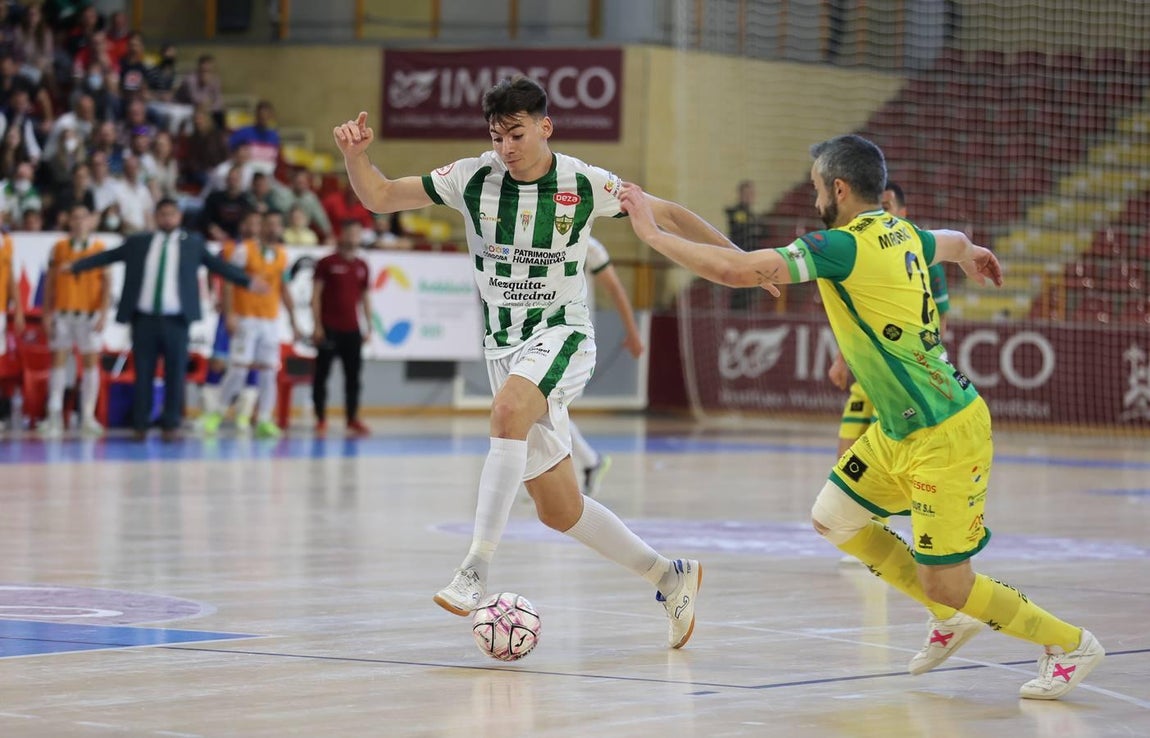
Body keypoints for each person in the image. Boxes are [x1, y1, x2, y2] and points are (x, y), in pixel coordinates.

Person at [618, 134, 1105, 699]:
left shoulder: (840, 245)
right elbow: (950, 241)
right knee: (834, 517)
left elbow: (736, 272)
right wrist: (971, 252)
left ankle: (1069, 645)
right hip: (898, 429)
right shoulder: (904, 233)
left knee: (950, 582)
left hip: (944, 432)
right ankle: (948, 616)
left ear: (840, 190)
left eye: (817, 187)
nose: (814, 196)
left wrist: (651, 232)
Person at [333, 76, 712, 648]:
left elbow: (672, 215)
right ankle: (669, 575)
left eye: (516, 133)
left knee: (507, 413)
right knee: (558, 510)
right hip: (502, 348)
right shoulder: (471, 177)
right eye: (496, 135)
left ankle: (475, 566)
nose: (506, 147)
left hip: (562, 334)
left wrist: (745, 263)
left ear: (544, 127)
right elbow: (380, 196)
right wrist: (356, 159)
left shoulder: (585, 183)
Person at [68, 198, 268, 441]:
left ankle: (171, 423)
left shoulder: (192, 244)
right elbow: (109, 256)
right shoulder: (139, 242)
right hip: (144, 318)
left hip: (177, 320)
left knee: (175, 372)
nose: (167, 219)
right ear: (155, 216)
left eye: (171, 214)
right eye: (162, 214)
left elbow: (218, 266)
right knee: (144, 372)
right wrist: (77, 266)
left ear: (179, 216)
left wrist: (247, 281)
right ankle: (140, 423)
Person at [829, 180, 950, 459]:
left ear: (903, 213)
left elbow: (941, 319)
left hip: (899, 378)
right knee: (844, 460)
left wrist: (928, 361)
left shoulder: (923, 255)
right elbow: (853, 319)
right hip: (867, 375)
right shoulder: (863, 256)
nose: (882, 215)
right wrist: (839, 359)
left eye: (887, 208)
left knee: (883, 463)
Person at [201, 209, 300, 439]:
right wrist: (230, 314)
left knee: (268, 372)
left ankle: (264, 418)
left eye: (278, 225)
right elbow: (228, 281)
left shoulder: (283, 255)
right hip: (245, 317)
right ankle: (218, 413)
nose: (274, 229)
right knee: (238, 369)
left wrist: (294, 321)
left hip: (270, 320)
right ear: (261, 227)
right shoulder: (244, 251)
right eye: (270, 224)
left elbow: (284, 288)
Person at [571, 236, 644, 496]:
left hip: (574, 338)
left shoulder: (589, 246)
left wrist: (633, 333)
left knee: (544, 409)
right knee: (543, 412)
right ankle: (590, 462)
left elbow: (614, 288)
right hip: (535, 335)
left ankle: (586, 464)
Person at [39, 204, 107, 437]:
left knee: (90, 364)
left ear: (91, 221)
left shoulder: (99, 248)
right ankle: (54, 415)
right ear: (68, 221)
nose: (79, 222)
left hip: (88, 314)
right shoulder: (58, 248)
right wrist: (47, 313)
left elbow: (107, 284)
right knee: (57, 363)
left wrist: (104, 314)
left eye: (83, 218)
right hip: (63, 312)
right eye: (75, 218)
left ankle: (88, 416)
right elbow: (49, 283)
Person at [201, 209, 262, 428]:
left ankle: (243, 416)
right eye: (250, 222)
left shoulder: (265, 251)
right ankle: (210, 413)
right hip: (231, 312)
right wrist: (214, 295)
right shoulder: (228, 249)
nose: (253, 227)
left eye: (257, 223)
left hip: (256, 316)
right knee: (218, 363)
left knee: (252, 365)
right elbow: (211, 269)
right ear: (242, 225)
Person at [311, 219, 371, 437]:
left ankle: (352, 419)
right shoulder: (326, 263)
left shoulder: (362, 266)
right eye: (351, 232)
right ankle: (320, 418)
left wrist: (369, 326)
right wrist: (317, 326)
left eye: (358, 233)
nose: (354, 237)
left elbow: (365, 297)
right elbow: (316, 295)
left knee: (353, 377)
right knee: (322, 375)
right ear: (342, 235)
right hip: (329, 328)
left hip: (352, 330)